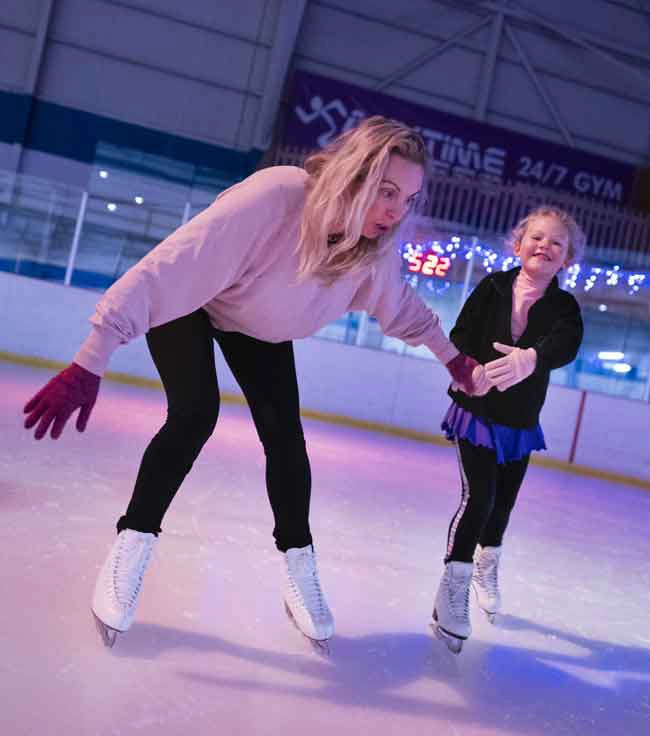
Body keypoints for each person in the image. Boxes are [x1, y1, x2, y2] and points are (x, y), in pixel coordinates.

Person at [23, 116, 478, 649]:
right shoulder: (278, 197)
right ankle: (133, 543)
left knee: (285, 435)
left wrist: (454, 360)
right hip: (191, 301)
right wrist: (91, 357)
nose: (396, 212)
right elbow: (168, 268)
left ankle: (299, 565)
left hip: (257, 324)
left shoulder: (370, 252)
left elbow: (401, 308)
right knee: (195, 413)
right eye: (385, 192)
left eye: (408, 199)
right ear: (353, 176)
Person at [432, 206, 585, 653]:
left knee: (503, 504)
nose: (545, 246)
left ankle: (487, 564)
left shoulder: (564, 307)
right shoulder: (493, 286)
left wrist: (531, 358)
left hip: (520, 419)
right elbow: (460, 333)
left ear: (566, 259)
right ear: (517, 245)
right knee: (479, 496)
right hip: (475, 410)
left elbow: (567, 343)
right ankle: (453, 588)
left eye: (557, 243)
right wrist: (468, 370)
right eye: (536, 238)